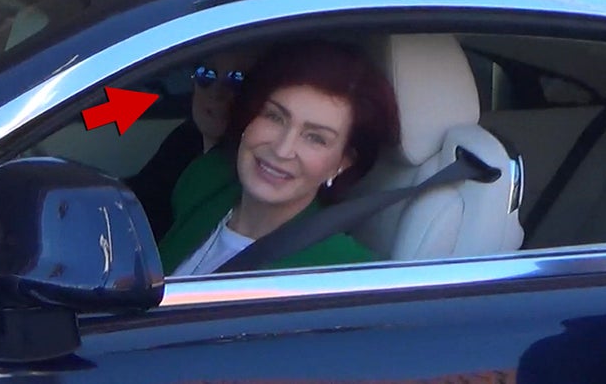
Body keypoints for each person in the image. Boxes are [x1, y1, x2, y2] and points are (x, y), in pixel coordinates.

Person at [158, 39, 401, 276]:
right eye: (275, 117)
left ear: (342, 163)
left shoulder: (346, 272)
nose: (282, 150)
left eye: (315, 138)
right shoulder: (206, 178)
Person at [126, 50, 257, 240]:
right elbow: (140, 194)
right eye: (206, 75)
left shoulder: (246, 180)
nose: (216, 92)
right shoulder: (186, 138)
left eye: (237, 79)